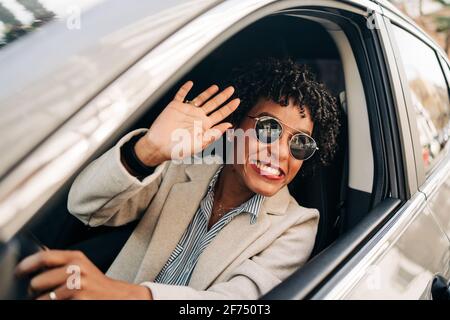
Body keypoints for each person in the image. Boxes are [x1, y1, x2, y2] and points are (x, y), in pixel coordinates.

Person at [15, 58, 341, 300]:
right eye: (268, 128)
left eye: (300, 143)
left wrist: (120, 294)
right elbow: (86, 206)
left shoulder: (297, 225)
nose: (280, 153)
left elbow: (236, 302)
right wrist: (148, 151)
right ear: (235, 124)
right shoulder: (180, 167)